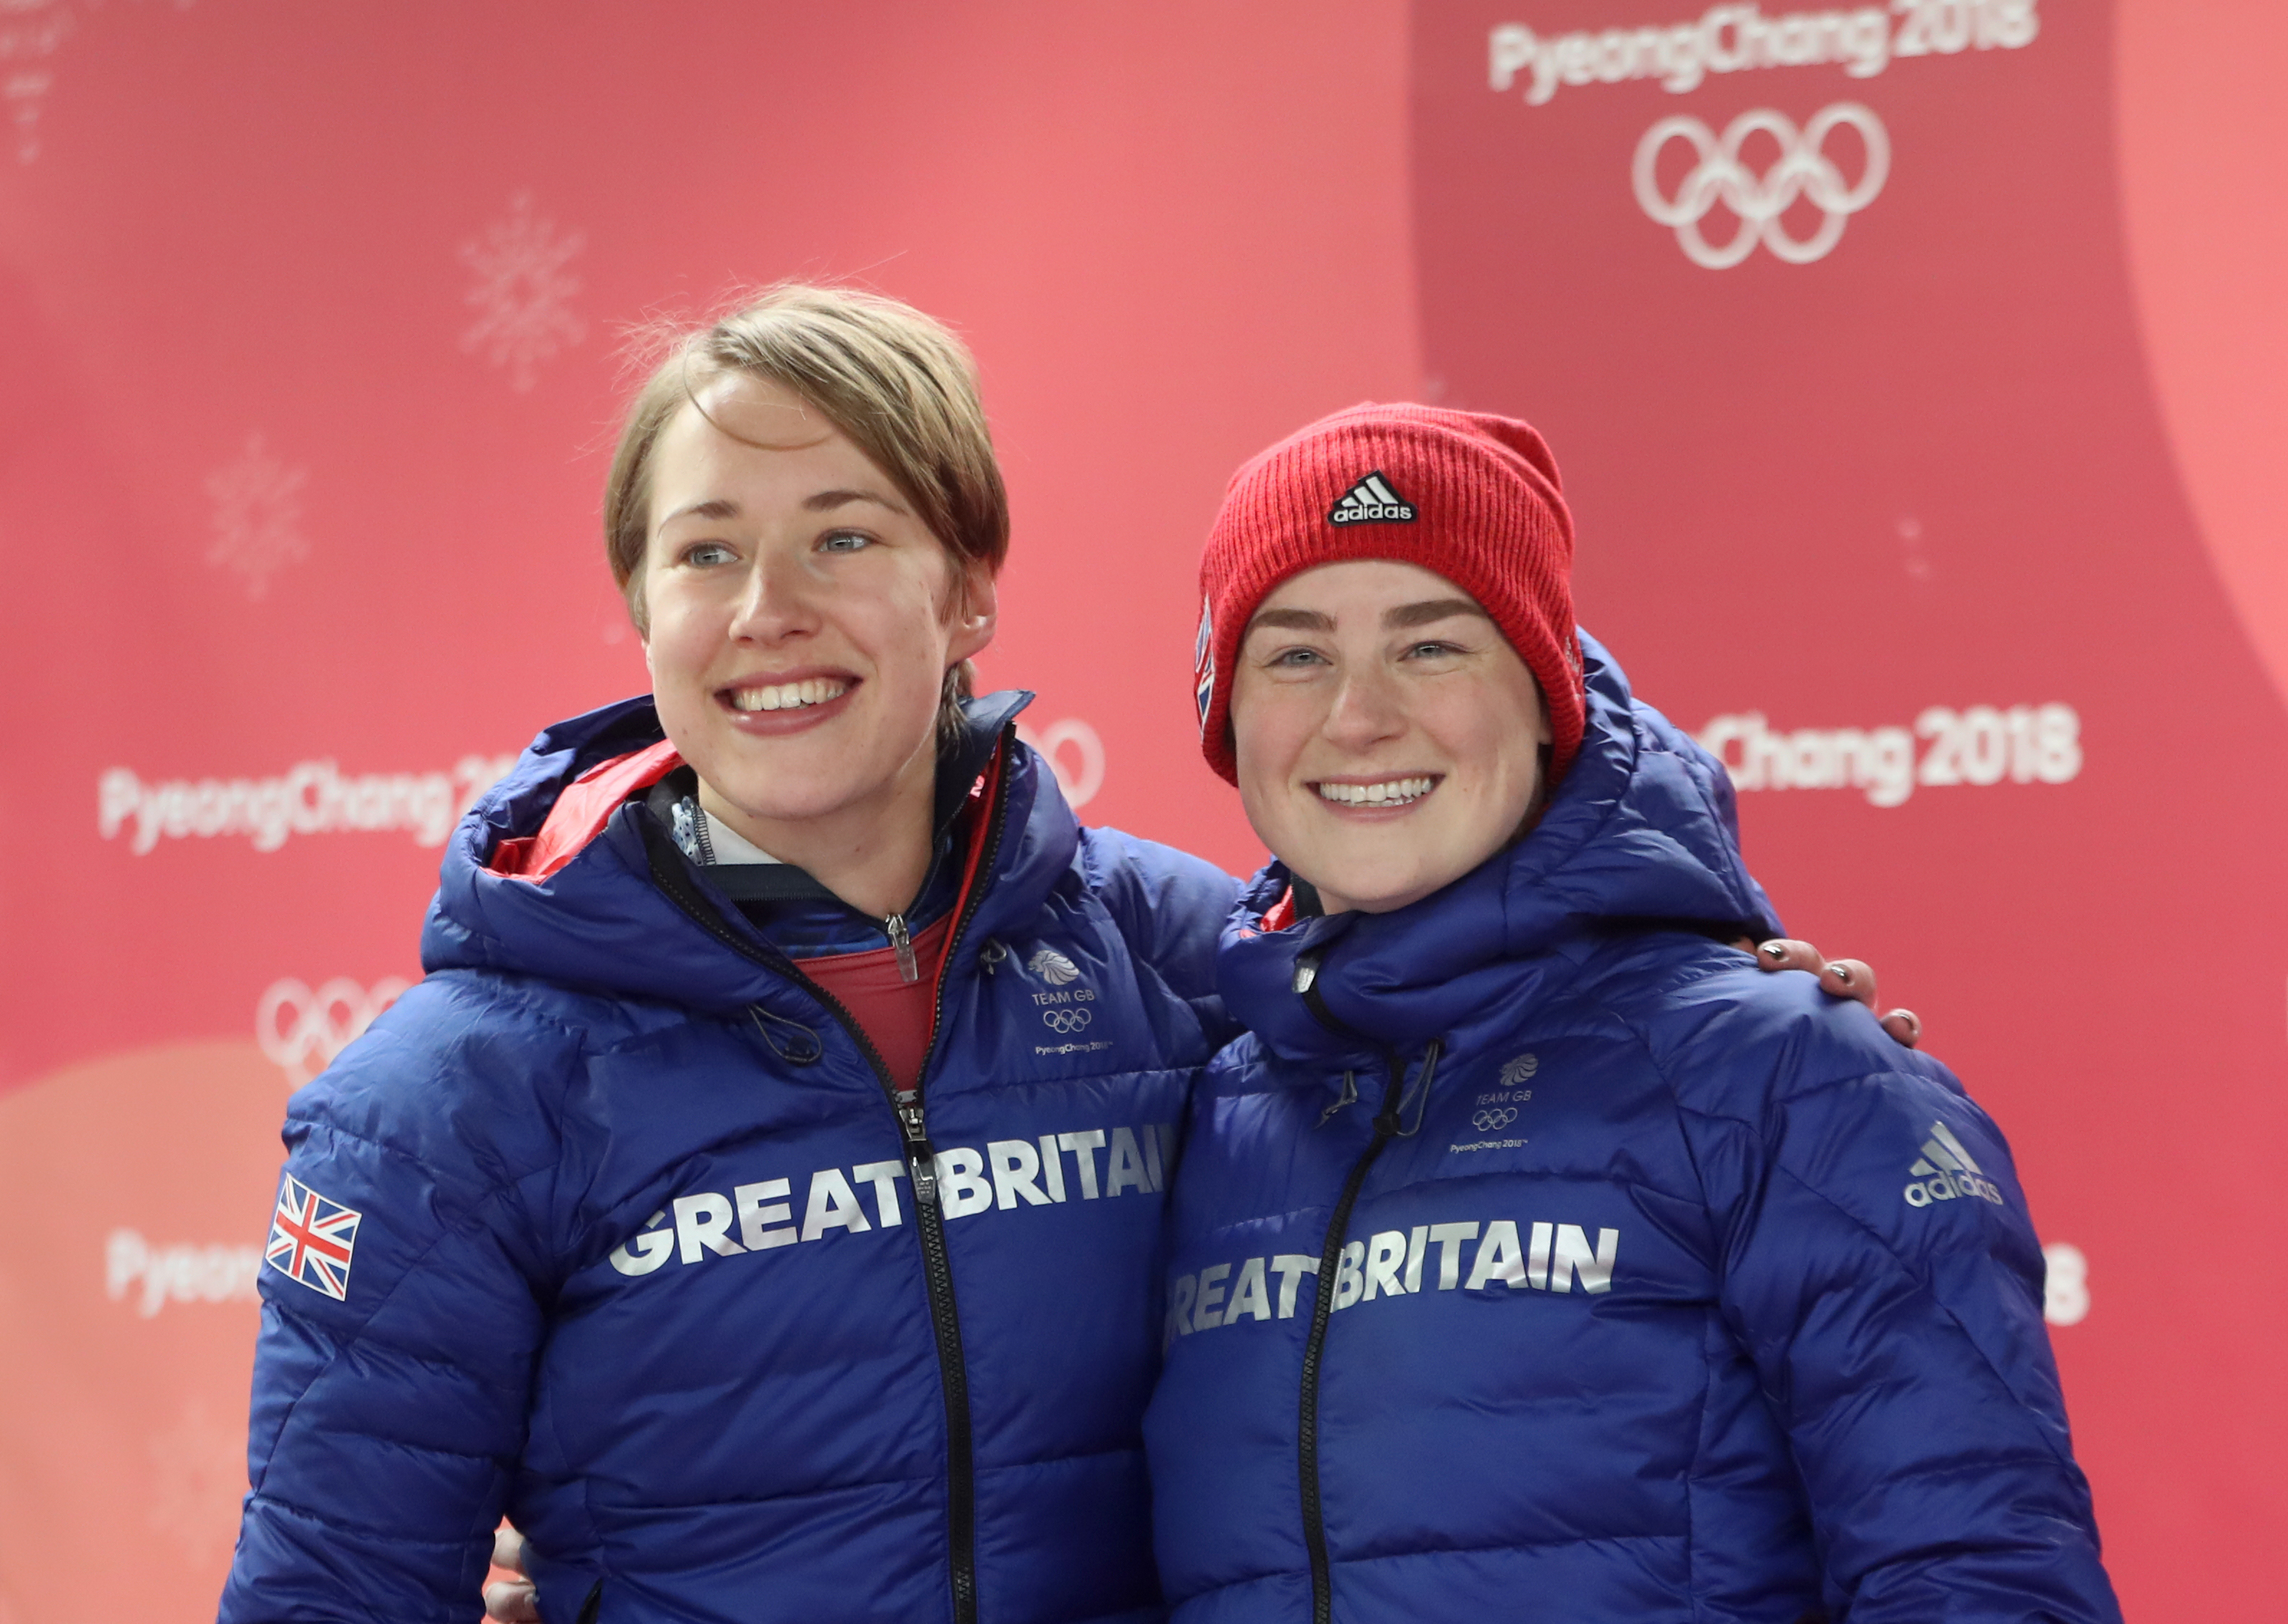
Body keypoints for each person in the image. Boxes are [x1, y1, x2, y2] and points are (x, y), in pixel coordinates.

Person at [221, 284, 1911, 1624]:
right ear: (642, 613)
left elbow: (1496, 1020)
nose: (769, 608)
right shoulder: (448, 1103)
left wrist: (1732, 1000)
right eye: (707, 550)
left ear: (969, 596)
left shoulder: (1187, 958)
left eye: (846, 534)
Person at [1143, 404, 2119, 1622]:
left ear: (1549, 697)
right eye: (1293, 655)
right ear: (1224, 718)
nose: (1357, 716)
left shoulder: (1784, 1073)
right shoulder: (1203, 1106)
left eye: (1432, 645)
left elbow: (1978, 1574)